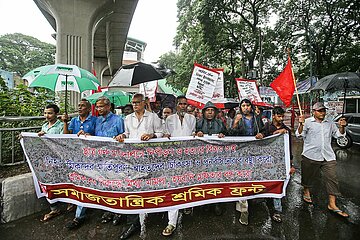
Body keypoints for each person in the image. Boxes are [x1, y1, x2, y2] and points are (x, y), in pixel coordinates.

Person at [116, 93, 163, 239]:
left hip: (149, 158)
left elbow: (161, 132)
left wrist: (151, 136)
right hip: (132, 159)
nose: (135, 105)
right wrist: (122, 136)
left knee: (148, 186)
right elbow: (127, 133)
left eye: (137, 102)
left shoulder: (153, 117)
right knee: (132, 187)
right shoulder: (128, 118)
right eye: (133, 103)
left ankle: (150, 214)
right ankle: (134, 222)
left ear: (144, 102)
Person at [296, 102, 349, 218]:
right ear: (313, 112)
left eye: (323, 110)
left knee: (332, 178)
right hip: (310, 155)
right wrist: (300, 124)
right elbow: (299, 135)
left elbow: (339, 136)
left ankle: (332, 204)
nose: (322, 113)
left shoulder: (330, 123)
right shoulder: (307, 122)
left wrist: (342, 126)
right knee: (307, 176)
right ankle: (306, 190)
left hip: (328, 156)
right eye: (320, 111)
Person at [162, 96, 196, 236]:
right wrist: (165, 136)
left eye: (185, 104)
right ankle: (172, 223)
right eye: (180, 104)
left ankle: (187, 205)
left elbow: (193, 135)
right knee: (173, 188)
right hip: (173, 159)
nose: (183, 106)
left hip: (188, 159)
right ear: (176, 105)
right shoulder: (169, 119)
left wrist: (196, 135)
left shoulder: (192, 118)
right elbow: (165, 135)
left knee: (188, 185)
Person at [228, 99, 265, 226]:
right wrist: (235, 124)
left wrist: (262, 134)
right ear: (240, 107)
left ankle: (247, 201)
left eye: (247, 105)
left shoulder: (257, 118)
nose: (245, 108)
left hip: (255, 153)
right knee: (242, 178)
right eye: (243, 106)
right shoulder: (238, 118)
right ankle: (244, 210)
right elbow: (231, 135)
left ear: (251, 107)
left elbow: (264, 131)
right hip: (241, 154)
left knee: (252, 178)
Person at [62, 99, 97, 229]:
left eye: (83, 106)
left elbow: (99, 136)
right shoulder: (74, 121)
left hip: (91, 158)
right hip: (76, 157)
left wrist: (88, 135)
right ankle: (78, 206)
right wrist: (65, 122)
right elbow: (66, 136)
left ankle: (79, 216)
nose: (80, 108)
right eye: (79, 106)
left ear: (89, 109)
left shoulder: (95, 120)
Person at [92, 96, 125, 226]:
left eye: (101, 106)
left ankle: (119, 212)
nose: (99, 109)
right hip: (100, 159)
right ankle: (108, 209)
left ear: (108, 106)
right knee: (105, 185)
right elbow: (95, 137)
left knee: (117, 185)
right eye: (97, 107)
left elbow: (124, 137)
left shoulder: (118, 120)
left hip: (116, 159)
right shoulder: (97, 121)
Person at [263, 106, 295, 223]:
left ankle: (277, 210)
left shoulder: (286, 130)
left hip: (280, 162)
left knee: (278, 185)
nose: (281, 119)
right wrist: (272, 133)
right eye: (279, 116)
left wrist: (290, 164)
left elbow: (289, 147)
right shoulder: (266, 127)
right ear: (274, 116)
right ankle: (267, 200)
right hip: (266, 161)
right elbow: (261, 140)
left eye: (282, 116)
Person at [195, 101, 226, 216]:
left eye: (212, 110)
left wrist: (223, 135)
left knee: (217, 181)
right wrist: (197, 133)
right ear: (204, 112)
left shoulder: (220, 123)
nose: (210, 112)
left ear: (215, 112)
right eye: (208, 110)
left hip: (217, 158)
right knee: (204, 180)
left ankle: (217, 203)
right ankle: (205, 203)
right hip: (203, 158)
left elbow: (227, 134)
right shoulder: (199, 123)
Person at [38, 104, 64, 222]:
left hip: (58, 158)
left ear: (56, 114)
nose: (47, 116)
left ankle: (67, 204)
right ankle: (54, 208)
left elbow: (63, 140)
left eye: (50, 113)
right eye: (45, 113)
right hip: (47, 159)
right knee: (47, 182)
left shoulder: (60, 126)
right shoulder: (44, 126)